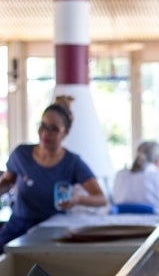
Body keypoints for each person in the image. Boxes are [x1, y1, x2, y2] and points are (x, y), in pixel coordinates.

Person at [0, 96, 108, 252]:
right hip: (17, 226)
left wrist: (77, 199)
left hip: (51, 229)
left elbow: (101, 198)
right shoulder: (21, 155)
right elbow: (8, 181)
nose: (45, 133)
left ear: (65, 133)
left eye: (53, 129)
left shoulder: (72, 162)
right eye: (43, 126)